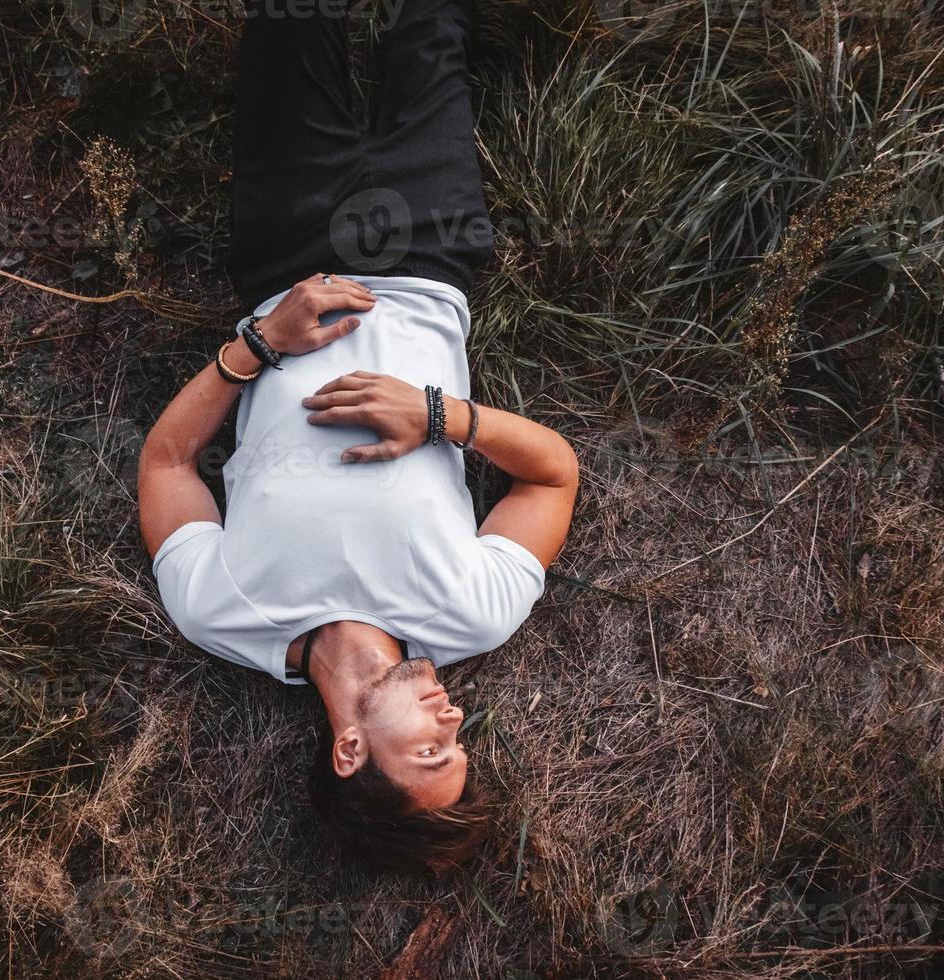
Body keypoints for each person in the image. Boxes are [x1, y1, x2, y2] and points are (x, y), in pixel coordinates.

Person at [137, 0, 577, 874]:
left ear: (349, 751)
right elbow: (555, 478)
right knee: (431, 31)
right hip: (429, 250)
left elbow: (167, 461)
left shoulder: (221, 611)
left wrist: (257, 347)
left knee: (292, 26)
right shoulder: (470, 616)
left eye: (430, 751)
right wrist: (439, 416)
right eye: (458, 744)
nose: (454, 721)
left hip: (285, 257)